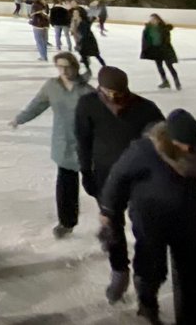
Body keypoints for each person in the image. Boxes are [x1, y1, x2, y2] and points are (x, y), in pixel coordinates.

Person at [101, 109, 196, 325]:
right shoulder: (144, 150)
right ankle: (148, 306)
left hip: (188, 219)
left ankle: (192, 318)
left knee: (192, 274)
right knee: (151, 266)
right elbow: (117, 178)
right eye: (182, 143)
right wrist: (109, 211)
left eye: (191, 142)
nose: (187, 148)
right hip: (150, 220)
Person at [74, 66, 165, 304]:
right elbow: (82, 140)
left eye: (119, 92)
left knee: (144, 228)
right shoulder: (88, 105)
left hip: (141, 178)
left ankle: (144, 282)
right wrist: (86, 171)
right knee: (112, 226)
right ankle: (119, 273)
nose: (115, 98)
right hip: (105, 177)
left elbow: (163, 144)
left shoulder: (146, 108)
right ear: (100, 88)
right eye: (109, 92)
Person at [9, 52, 94, 238]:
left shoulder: (88, 91)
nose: (63, 70)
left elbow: (102, 118)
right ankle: (66, 222)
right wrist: (20, 119)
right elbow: (37, 105)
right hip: (63, 144)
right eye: (59, 67)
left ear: (75, 67)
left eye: (67, 67)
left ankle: (110, 217)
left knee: (94, 185)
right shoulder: (51, 87)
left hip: (87, 145)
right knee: (65, 188)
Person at [141, 14, 181, 90]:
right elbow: (145, 40)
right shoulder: (148, 29)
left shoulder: (164, 28)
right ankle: (165, 82)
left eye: (154, 19)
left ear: (158, 20)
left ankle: (177, 82)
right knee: (160, 67)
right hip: (156, 50)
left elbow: (167, 40)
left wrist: (164, 47)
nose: (152, 21)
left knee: (170, 66)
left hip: (165, 50)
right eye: (151, 19)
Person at [70, 5, 104, 76]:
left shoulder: (85, 21)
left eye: (76, 13)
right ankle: (88, 70)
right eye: (74, 13)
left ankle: (105, 67)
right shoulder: (74, 21)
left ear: (80, 13)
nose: (74, 14)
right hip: (81, 41)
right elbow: (74, 32)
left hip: (89, 40)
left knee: (96, 55)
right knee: (83, 56)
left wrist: (94, 9)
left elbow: (92, 18)